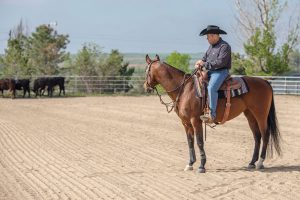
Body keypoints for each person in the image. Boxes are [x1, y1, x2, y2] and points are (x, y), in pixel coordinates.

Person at [195, 25, 231, 123]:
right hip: (211, 71)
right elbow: (204, 58)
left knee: (211, 88)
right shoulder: (211, 47)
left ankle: (212, 114)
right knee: (196, 83)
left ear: (214, 36)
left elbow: (220, 63)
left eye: (208, 37)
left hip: (221, 71)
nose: (207, 39)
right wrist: (199, 63)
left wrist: (205, 64)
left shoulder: (225, 46)